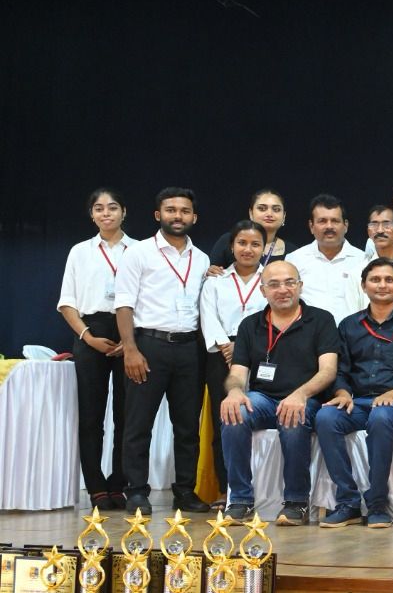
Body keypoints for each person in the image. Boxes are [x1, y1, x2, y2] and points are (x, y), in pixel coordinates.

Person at [218, 260, 339, 526]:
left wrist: (300, 394)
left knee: (292, 417)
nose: (282, 289)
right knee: (235, 412)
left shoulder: (321, 320)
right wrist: (235, 391)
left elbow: (328, 370)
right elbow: (237, 374)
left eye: (289, 282)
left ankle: (296, 501)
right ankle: (239, 500)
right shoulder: (250, 325)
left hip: (306, 398)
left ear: (300, 286)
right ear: (263, 291)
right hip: (263, 398)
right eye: (273, 284)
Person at [114, 187, 211, 516]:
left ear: (194, 217)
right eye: (171, 210)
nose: (177, 216)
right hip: (148, 346)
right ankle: (136, 491)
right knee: (138, 424)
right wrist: (130, 349)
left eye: (184, 211)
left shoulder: (201, 259)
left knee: (187, 427)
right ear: (158, 215)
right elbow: (123, 304)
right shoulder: (138, 253)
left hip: (190, 349)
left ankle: (184, 491)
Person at [315, 258, 393, 529]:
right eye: (375, 280)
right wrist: (342, 392)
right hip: (356, 402)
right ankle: (348, 502)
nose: (382, 285)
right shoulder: (348, 325)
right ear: (363, 286)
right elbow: (339, 370)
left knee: (381, 418)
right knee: (325, 418)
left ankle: (378, 504)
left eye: (389, 280)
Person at [58, 187, 133, 509]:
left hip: (129, 332)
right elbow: (67, 302)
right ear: (92, 215)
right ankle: (96, 486)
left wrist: (130, 340)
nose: (106, 213)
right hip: (90, 332)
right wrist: (88, 338)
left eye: (112, 207)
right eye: (99, 208)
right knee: (91, 416)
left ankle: (119, 482)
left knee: (127, 416)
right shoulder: (80, 251)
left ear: (123, 212)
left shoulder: (140, 250)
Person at [199, 220, 268, 496]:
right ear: (231, 246)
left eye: (255, 244)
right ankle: (227, 490)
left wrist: (245, 348)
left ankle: (264, 488)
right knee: (224, 421)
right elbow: (208, 316)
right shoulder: (215, 281)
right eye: (242, 243)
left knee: (261, 420)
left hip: (263, 355)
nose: (248, 249)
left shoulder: (271, 280)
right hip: (222, 356)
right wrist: (226, 346)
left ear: (264, 249)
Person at [284, 195, 365, 317]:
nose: (329, 226)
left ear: (346, 226)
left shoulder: (363, 260)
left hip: (352, 328)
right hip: (308, 328)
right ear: (311, 226)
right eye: (322, 221)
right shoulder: (294, 260)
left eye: (335, 221)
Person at [207, 188, 292, 274]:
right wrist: (209, 272)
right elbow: (211, 273)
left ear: (284, 216)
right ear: (251, 213)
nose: (269, 214)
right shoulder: (228, 240)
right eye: (262, 209)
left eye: (276, 210)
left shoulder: (292, 252)